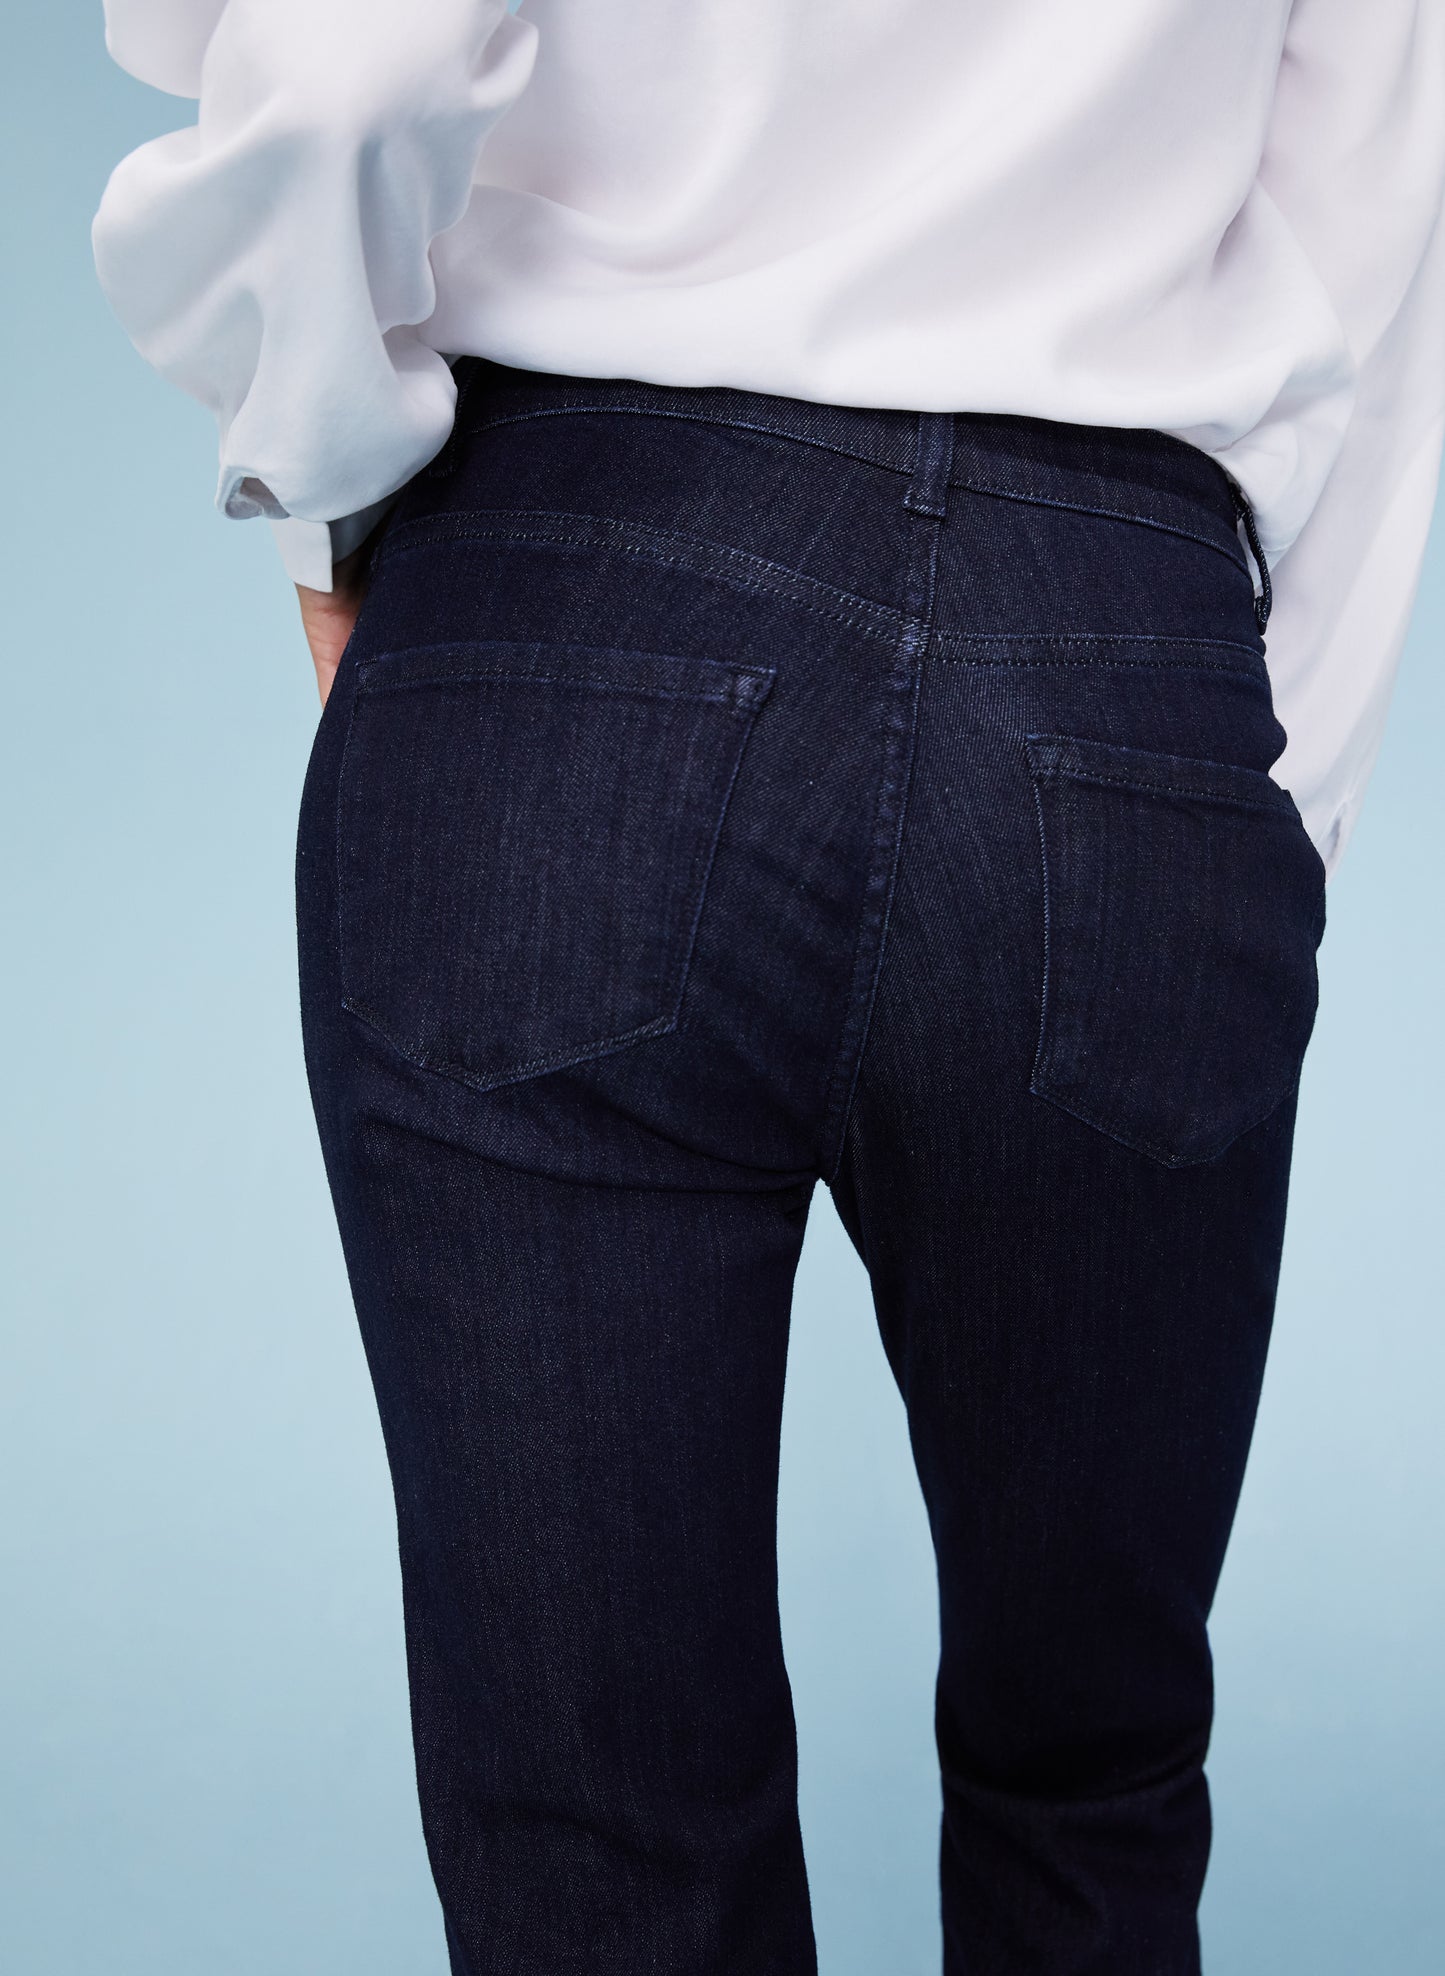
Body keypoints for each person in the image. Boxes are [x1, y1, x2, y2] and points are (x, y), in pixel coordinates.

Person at [92, 3, 1445, 1971]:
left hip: (571, 601)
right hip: (1121, 671)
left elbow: (347, 71)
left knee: (602, 1841)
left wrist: (320, 475)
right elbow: (1374, 213)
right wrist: (1246, 823)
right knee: (1096, 1787)